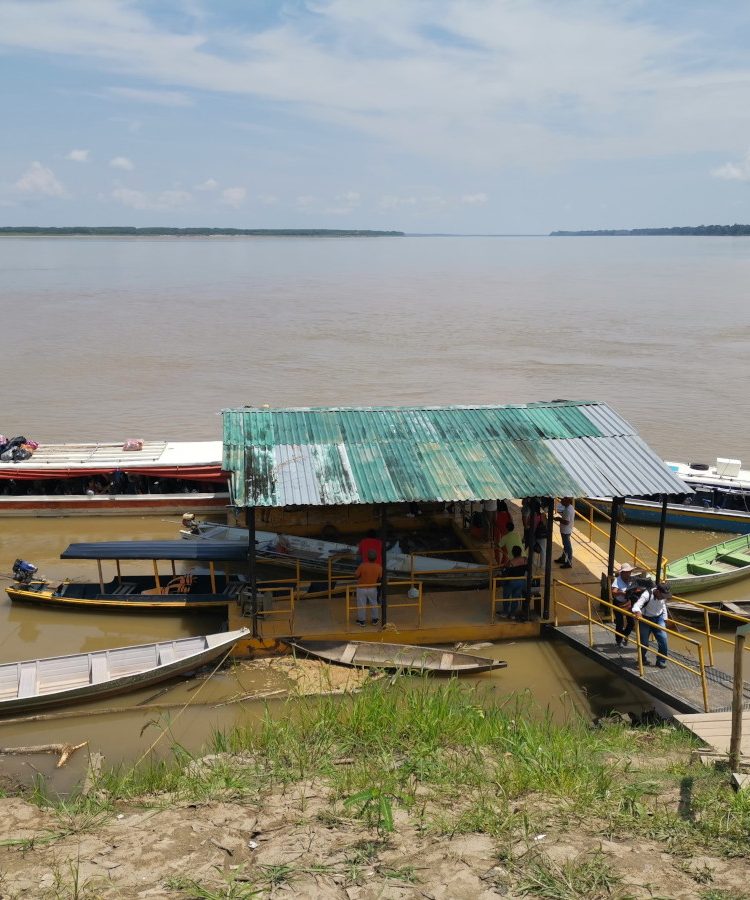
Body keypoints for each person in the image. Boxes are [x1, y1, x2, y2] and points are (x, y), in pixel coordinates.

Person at [632, 581, 671, 668]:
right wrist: (638, 612)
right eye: (662, 596)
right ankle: (642, 659)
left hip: (659, 618)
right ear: (657, 591)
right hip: (645, 619)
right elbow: (636, 606)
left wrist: (665, 618)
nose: (663, 598)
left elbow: (663, 606)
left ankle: (661, 661)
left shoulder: (663, 596)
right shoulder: (646, 595)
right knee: (644, 643)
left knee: (663, 640)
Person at [611, 562, 636, 647]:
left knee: (632, 623)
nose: (629, 573)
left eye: (630, 572)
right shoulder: (617, 580)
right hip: (618, 603)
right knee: (619, 623)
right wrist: (621, 592)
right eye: (627, 572)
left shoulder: (631, 579)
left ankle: (624, 635)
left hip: (627, 602)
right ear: (622, 572)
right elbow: (613, 592)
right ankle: (619, 641)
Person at [354, 548, 382, 627]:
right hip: (372, 588)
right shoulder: (379, 567)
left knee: (361, 604)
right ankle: (375, 619)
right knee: (374, 603)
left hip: (361, 588)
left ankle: (362, 621)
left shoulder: (362, 565)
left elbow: (356, 575)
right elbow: (380, 577)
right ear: (376, 558)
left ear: (367, 557)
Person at [500, 545, 528, 619]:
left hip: (511, 582)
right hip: (521, 581)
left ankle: (505, 612)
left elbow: (505, 572)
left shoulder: (510, 562)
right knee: (515, 598)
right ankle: (513, 614)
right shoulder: (525, 559)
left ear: (513, 553)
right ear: (520, 552)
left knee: (506, 597)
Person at [555, 497, 575, 568]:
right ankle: (563, 559)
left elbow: (566, 522)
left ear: (568, 501)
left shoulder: (568, 510)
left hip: (566, 530)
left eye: (563, 500)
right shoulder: (570, 507)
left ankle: (569, 562)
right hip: (567, 530)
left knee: (567, 547)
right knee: (565, 546)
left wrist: (559, 519)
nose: (561, 501)